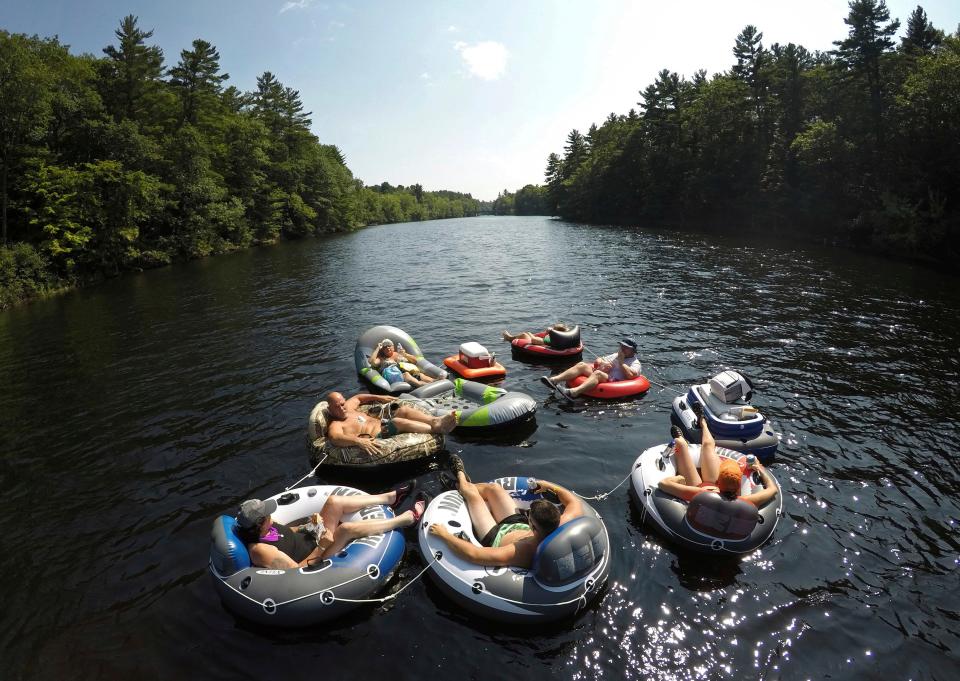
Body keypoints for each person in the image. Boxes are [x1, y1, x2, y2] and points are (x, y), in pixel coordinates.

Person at [428, 455, 584, 568]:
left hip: (494, 536)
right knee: (494, 488)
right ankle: (462, 488)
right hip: (516, 525)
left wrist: (444, 535)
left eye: (529, 515)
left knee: (473, 495)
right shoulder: (560, 524)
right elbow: (573, 502)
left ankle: (461, 479)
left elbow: (474, 555)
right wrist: (547, 486)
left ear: (533, 526)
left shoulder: (522, 551)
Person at [236, 490, 425, 569]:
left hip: (313, 538)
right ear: (260, 523)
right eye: (267, 515)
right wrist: (322, 546)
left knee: (334, 501)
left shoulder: (266, 527)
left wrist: (307, 525)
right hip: (316, 556)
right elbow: (296, 571)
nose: (271, 515)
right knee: (346, 530)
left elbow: (288, 533)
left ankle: (389, 498)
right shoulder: (261, 550)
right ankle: (406, 519)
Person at [658, 404, 778, 507]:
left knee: (682, 445)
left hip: (698, 487)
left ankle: (683, 438)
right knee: (707, 446)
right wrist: (759, 468)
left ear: (719, 481)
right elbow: (772, 490)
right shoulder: (744, 501)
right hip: (708, 486)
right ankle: (702, 422)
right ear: (738, 488)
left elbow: (663, 484)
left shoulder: (698, 494)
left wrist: (680, 479)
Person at [325, 391, 457, 455]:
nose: (342, 407)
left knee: (403, 410)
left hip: (383, 423)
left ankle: (435, 421)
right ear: (330, 409)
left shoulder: (347, 408)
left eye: (342, 403)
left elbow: (358, 398)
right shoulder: (336, 424)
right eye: (337, 406)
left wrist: (380, 397)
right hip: (380, 435)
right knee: (397, 421)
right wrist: (358, 441)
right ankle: (436, 429)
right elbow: (335, 438)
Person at [541, 337, 641, 399]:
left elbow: (631, 375)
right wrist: (602, 363)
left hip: (615, 381)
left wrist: (621, 362)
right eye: (622, 346)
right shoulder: (616, 354)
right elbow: (599, 359)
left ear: (633, 351)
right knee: (582, 365)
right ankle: (554, 380)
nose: (622, 348)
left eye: (626, 347)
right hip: (605, 374)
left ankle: (573, 392)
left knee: (598, 374)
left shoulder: (635, 363)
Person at [369, 338, 435, 387]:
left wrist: (405, 354)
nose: (388, 347)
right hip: (396, 376)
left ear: (393, 347)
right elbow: (372, 362)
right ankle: (428, 387)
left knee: (421, 375)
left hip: (409, 372)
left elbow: (415, 361)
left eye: (389, 345)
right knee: (407, 375)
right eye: (385, 347)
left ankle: (437, 383)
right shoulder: (381, 358)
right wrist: (378, 348)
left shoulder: (399, 354)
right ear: (382, 350)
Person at [502, 322, 569, 346]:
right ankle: (509, 337)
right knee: (528, 333)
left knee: (524, 335)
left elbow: (534, 341)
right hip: (540, 341)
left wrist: (549, 333)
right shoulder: (559, 339)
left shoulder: (551, 340)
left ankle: (509, 338)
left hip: (537, 342)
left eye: (554, 329)